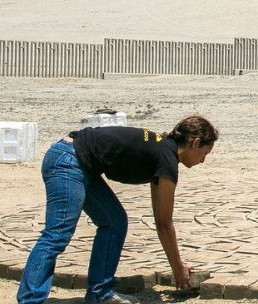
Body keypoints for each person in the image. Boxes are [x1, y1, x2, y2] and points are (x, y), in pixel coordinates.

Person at [16, 115, 219, 304]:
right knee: (57, 235)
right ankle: (30, 299)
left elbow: (161, 218)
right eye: (205, 153)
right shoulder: (166, 158)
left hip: (79, 163)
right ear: (195, 143)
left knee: (114, 221)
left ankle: (100, 293)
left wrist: (177, 266)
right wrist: (178, 268)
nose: (203, 160)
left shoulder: (163, 152)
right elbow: (164, 224)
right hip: (68, 161)